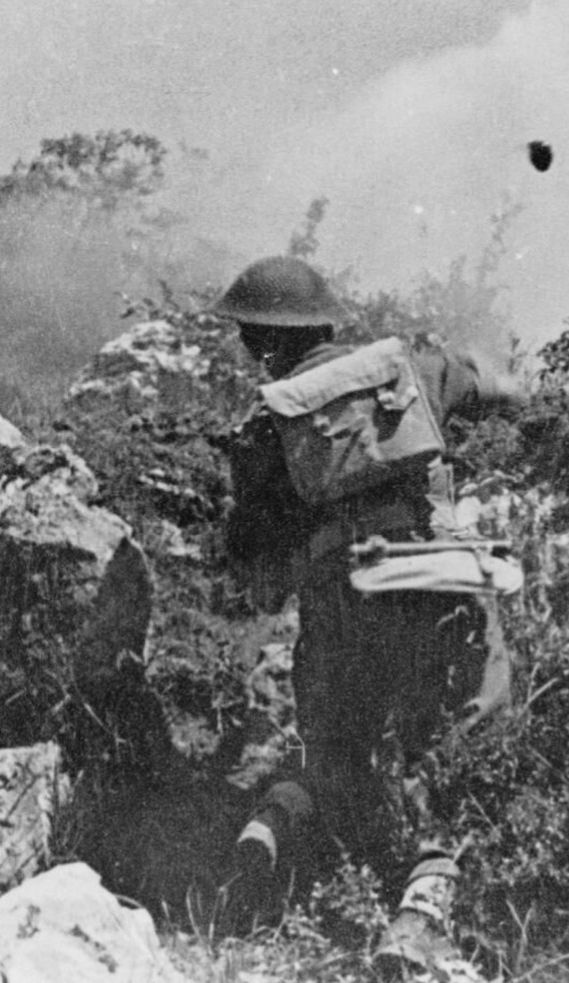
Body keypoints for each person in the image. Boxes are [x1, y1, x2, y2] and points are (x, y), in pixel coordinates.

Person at [213, 256, 524, 975]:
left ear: (260, 341)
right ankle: (420, 915)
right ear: (326, 320)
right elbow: (494, 384)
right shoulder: (405, 367)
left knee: (337, 751)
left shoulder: (266, 424)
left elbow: (252, 558)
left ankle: (274, 830)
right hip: (432, 582)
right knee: (463, 739)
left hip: (340, 599)